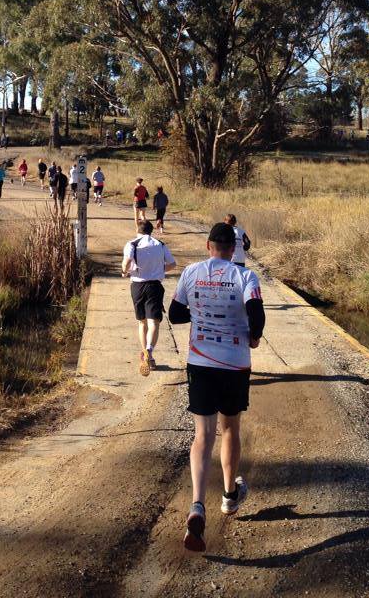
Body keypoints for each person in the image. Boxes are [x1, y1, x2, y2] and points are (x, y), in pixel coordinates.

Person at [169, 222, 265, 553]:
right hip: (234, 365)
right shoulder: (245, 276)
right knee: (230, 429)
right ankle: (228, 496)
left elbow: (174, 313)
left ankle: (197, 505)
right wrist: (254, 336)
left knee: (203, 435)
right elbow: (256, 314)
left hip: (200, 363)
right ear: (233, 249)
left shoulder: (192, 272)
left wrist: (200, 314)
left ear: (208, 246)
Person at [121, 221, 176, 376]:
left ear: (137, 229)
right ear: (151, 231)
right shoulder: (160, 244)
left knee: (142, 322)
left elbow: (127, 262)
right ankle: (149, 352)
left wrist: (125, 271)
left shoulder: (132, 244)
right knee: (154, 323)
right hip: (155, 286)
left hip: (137, 286)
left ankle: (145, 352)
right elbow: (172, 264)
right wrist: (159, 269)